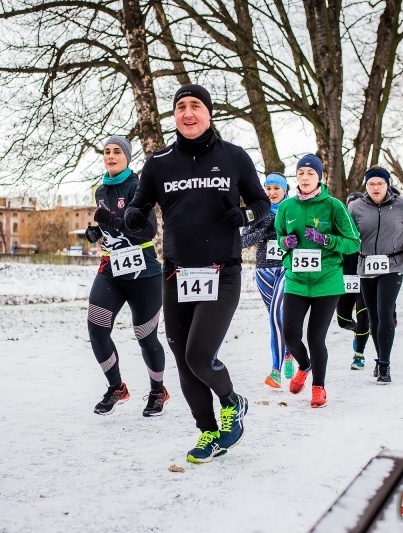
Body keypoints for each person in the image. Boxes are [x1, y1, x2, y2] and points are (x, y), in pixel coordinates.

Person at [124, 84, 270, 463]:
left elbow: (262, 204)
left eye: (195, 106)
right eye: (181, 107)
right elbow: (140, 207)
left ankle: (232, 402)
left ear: (209, 113)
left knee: (199, 355)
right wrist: (133, 216)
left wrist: (245, 214)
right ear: (174, 115)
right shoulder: (159, 163)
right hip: (176, 275)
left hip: (222, 272)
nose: (188, 113)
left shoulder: (234, 157)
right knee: (182, 355)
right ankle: (208, 431)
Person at [84, 136, 169, 416]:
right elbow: (113, 228)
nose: (110, 156)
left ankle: (158, 391)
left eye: (117, 151)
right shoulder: (100, 190)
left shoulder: (138, 187)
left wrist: (108, 220)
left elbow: (147, 232)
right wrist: (97, 232)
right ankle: (116, 387)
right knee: (96, 329)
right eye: (106, 151)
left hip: (143, 271)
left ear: (127, 158)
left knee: (145, 336)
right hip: (111, 268)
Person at [275, 153, 360, 406]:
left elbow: (353, 242)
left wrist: (327, 240)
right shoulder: (287, 207)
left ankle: (318, 388)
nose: (305, 177)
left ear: (320, 177)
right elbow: (279, 236)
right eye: (300, 173)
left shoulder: (334, 206)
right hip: (297, 280)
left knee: (315, 338)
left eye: (310, 173)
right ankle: (304, 365)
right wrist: (285, 242)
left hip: (327, 281)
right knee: (290, 335)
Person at [348, 166, 403, 383]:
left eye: (380, 183)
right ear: (366, 186)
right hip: (366, 265)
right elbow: (345, 232)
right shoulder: (356, 207)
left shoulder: (401, 204)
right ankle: (380, 356)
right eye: (371, 184)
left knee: (385, 312)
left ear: (387, 184)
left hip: (393, 265)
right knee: (373, 316)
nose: (375, 188)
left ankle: (384, 364)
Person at [240, 172, 296, 388]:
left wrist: (289, 239)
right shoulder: (258, 211)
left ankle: (275, 371)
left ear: (285, 190)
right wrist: (264, 230)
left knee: (276, 315)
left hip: (287, 268)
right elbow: (242, 241)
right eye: (268, 188)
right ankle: (288, 352)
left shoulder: (293, 210)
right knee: (277, 318)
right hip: (263, 271)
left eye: (276, 188)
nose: (272, 192)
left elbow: (302, 237)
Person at [336, 191, 371, 371]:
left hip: (364, 278)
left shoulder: (369, 226)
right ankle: (356, 330)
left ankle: (359, 355)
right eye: (351, 207)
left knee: (363, 315)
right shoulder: (339, 225)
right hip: (344, 278)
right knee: (342, 320)